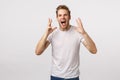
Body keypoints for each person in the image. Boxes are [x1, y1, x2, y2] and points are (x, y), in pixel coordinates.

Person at [35, 5, 97, 80]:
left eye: (65, 15)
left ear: (69, 17)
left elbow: (94, 50)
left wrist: (84, 33)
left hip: (73, 77)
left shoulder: (77, 32)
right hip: (56, 76)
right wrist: (46, 34)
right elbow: (38, 52)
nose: (63, 17)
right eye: (60, 15)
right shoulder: (53, 32)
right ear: (57, 18)